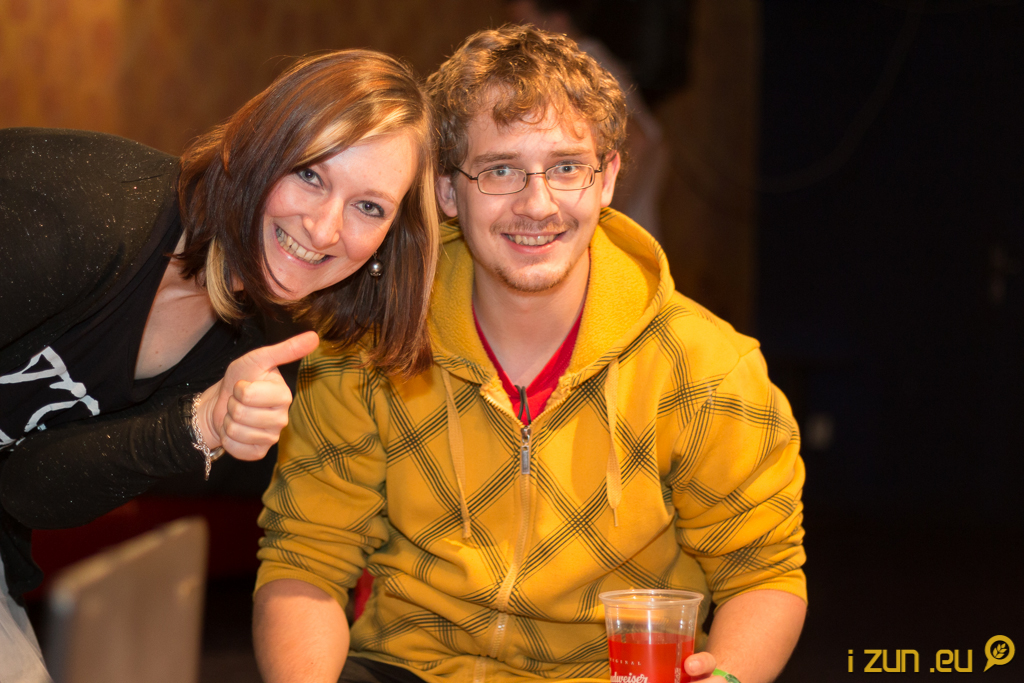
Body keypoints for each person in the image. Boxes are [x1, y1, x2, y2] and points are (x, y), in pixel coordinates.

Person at [254, 26, 805, 683]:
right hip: (411, 668)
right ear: (447, 191)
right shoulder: (370, 343)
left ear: (607, 179)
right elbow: (305, 559)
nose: (536, 204)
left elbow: (764, 573)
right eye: (501, 170)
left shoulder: (708, 368)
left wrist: (730, 675)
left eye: (567, 167)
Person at [0, 49, 438, 682]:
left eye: (368, 207)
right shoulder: (86, 213)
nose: (324, 230)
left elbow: (25, 491)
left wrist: (198, 425)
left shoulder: (258, 345)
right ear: (257, 147)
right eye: (310, 175)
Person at [505, 0, 669, 239]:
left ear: (559, 20)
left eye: (525, 25)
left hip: (619, 243)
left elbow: (639, 141)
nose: (518, 38)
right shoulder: (588, 60)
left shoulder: (583, 64)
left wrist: (603, 226)